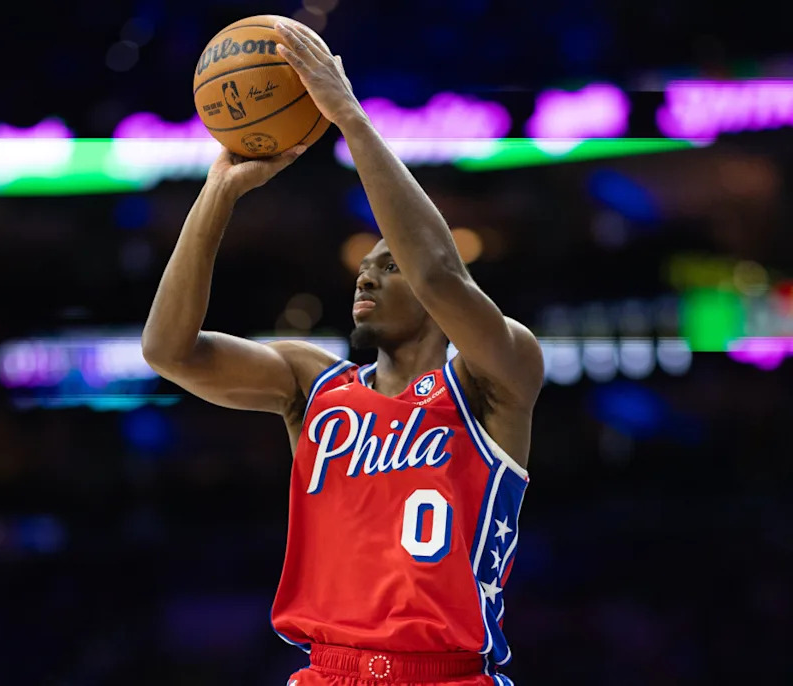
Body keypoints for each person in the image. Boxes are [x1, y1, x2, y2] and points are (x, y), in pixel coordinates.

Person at [141, 20, 545, 686]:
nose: (366, 274)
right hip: (326, 673)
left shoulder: (496, 376)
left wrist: (349, 118)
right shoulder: (312, 384)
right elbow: (169, 351)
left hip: (446, 674)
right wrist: (220, 190)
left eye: (389, 266)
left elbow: (440, 271)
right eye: (365, 265)